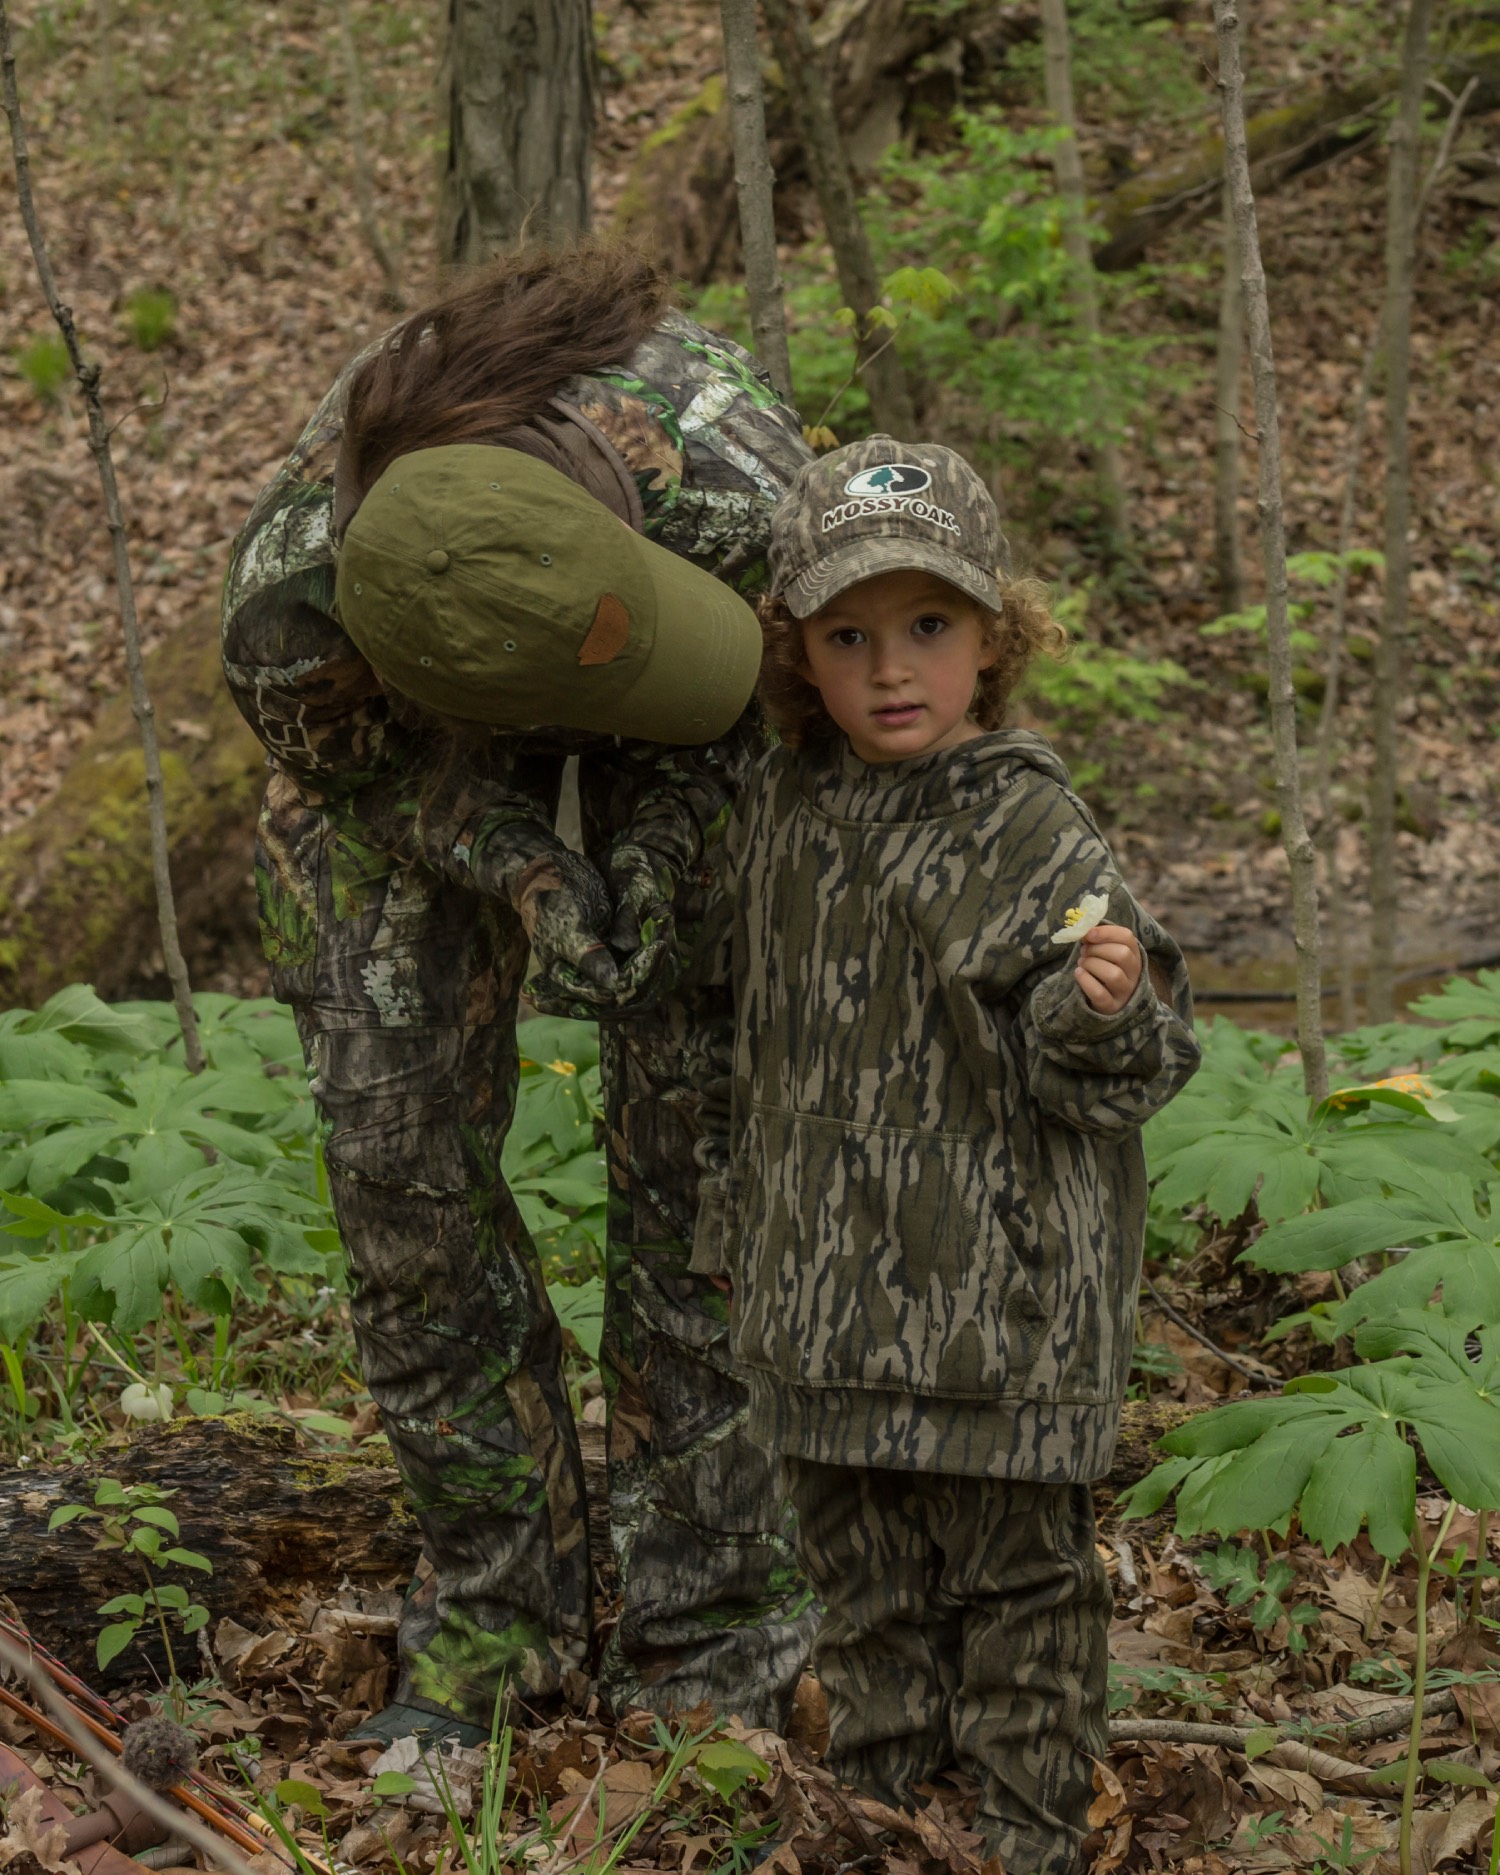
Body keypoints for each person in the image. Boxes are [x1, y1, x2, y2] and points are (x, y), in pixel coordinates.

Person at [220, 243, 818, 1745]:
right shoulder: (296, 620)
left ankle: (719, 1629)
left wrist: (663, 865)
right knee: (397, 1163)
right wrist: (529, 869)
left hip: (699, 657)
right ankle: (499, 1618)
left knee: (711, 1146)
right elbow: (359, 779)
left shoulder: (744, 489)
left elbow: (787, 708)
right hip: (419, 715)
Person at [688, 436, 1201, 1873]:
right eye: (849, 636)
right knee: (866, 1604)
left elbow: (1128, 1056)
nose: (890, 667)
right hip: (825, 1302)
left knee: (1025, 1601)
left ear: (992, 637)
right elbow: (741, 1019)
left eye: (928, 627)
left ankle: (1034, 1842)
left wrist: (1097, 1008)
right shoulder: (783, 806)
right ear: (800, 655)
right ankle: (884, 1831)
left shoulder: (1024, 815)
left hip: (1002, 1311)